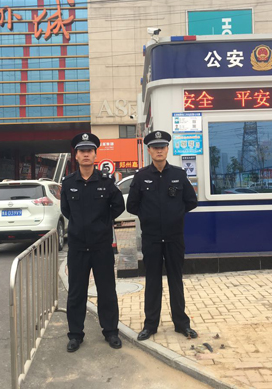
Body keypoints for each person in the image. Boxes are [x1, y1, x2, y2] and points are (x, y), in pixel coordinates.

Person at [126, 130, 198, 341]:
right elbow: (132, 205)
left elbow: (191, 201)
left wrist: (174, 215)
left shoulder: (178, 175)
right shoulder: (141, 177)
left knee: (176, 280)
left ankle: (182, 324)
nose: (159, 150)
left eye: (162, 147)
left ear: (167, 149)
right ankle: (150, 325)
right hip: (152, 238)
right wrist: (149, 217)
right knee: (153, 282)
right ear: (149, 150)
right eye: (155, 147)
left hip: (174, 237)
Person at [61, 132, 125, 352]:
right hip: (78, 247)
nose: (86, 154)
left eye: (89, 151)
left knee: (107, 291)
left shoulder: (106, 182)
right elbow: (66, 210)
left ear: (95, 155)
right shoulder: (69, 183)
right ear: (76, 156)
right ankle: (75, 335)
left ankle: (111, 332)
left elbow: (118, 206)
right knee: (76, 293)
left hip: (101, 247)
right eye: (82, 151)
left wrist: (102, 224)